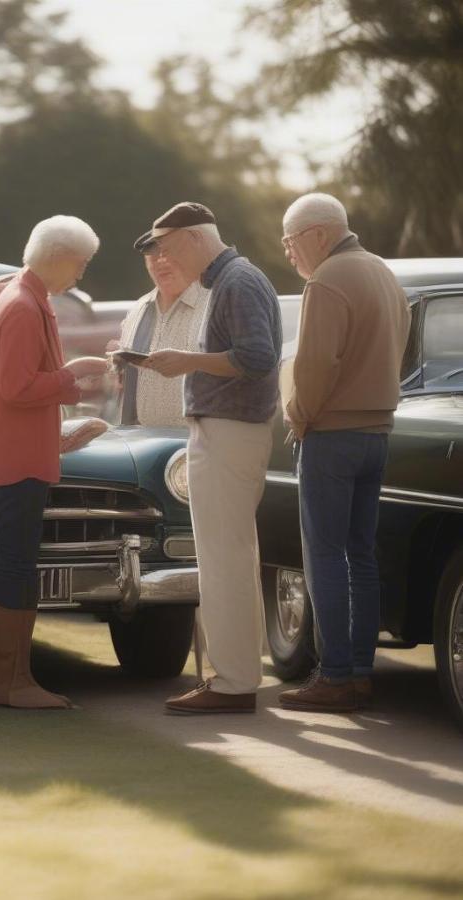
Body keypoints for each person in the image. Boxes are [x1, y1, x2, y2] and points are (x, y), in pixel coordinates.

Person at [132, 202, 282, 714]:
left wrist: (187, 362)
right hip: (230, 430)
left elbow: (259, 359)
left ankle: (234, 683)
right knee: (230, 557)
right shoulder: (237, 279)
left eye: (168, 247)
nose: (165, 259)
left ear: (195, 239)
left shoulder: (236, 282)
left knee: (224, 560)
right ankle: (236, 676)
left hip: (229, 431)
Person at [277, 193, 411, 713]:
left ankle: (333, 676)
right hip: (378, 431)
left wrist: (298, 415)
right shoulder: (381, 270)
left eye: (290, 241)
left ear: (317, 234)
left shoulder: (328, 279)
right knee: (361, 556)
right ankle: (357, 672)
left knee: (324, 555)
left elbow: (313, 365)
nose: (289, 253)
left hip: (332, 435)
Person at [0, 215, 108, 709]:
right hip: (19, 454)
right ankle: (10, 683)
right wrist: (69, 376)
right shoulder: (22, 305)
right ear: (58, 257)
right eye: (80, 263)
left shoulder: (25, 298)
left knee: (21, 563)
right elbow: (16, 388)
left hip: (23, 450)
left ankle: (17, 680)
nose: (80, 273)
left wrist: (64, 377)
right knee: (15, 564)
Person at [111, 215, 211, 427]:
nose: (161, 260)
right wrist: (117, 362)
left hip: (195, 443)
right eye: (152, 253)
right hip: (139, 440)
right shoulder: (138, 308)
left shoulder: (213, 305)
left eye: (169, 251)